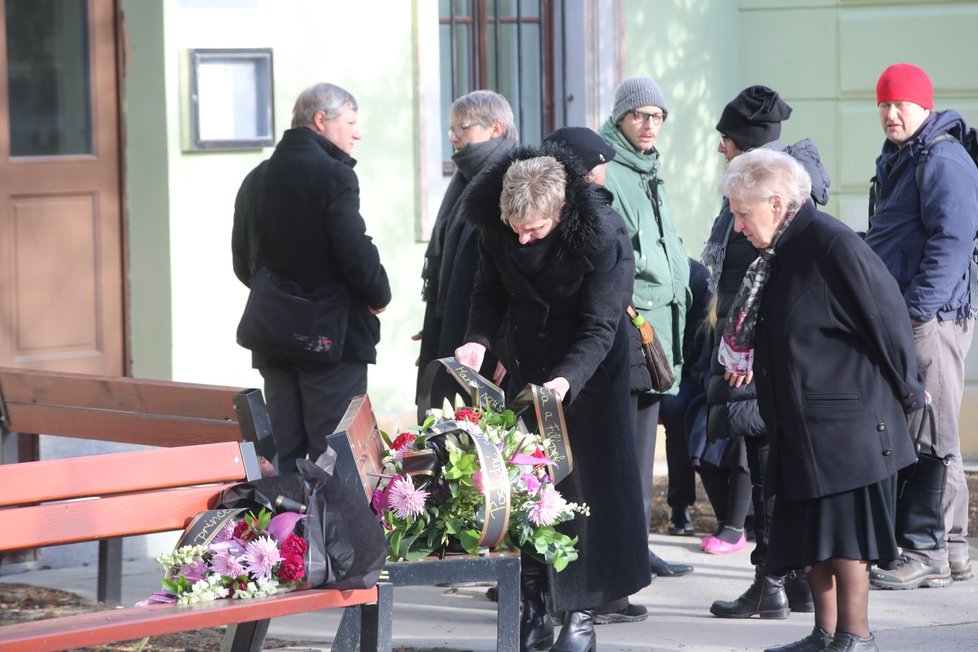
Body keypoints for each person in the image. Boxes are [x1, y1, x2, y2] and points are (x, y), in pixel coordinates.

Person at [716, 149, 924, 652]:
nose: (738, 226)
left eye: (742, 213)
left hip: (846, 421)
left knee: (845, 538)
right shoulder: (782, 250)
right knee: (812, 536)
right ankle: (825, 633)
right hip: (800, 421)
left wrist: (910, 391)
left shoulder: (831, 243)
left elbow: (887, 317)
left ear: (775, 201)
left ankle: (857, 636)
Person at [455, 145, 652, 652]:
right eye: (514, 228)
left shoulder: (603, 235)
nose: (521, 239)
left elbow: (601, 324)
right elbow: (488, 290)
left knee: (582, 496)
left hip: (587, 378)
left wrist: (565, 381)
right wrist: (477, 337)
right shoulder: (501, 227)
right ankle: (536, 608)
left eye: (534, 230)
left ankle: (580, 617)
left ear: (560, 212)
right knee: (529, 492)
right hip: (527, 369)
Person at [702, 85, 827, 618]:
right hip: (757, 355)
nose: (720, 150)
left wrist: (740, 354)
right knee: (775, 468)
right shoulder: (782, 192)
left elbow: (755, 285)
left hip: (751, 358)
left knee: (767, 471)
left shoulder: (767, 199)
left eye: (725, 141)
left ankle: (770, 582)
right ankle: (793, 582)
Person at [231, 82, 391, 474]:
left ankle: (287, 538)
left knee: (285, 456)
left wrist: (284, 300)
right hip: (330, 343)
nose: (357, 132)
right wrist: (378, 294)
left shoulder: (257, 178)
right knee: (333, 462)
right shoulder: (335, 177)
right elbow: (354, 248)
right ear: (321, 120)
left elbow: (242, 263)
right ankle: (330, 539)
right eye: (351, 121)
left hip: (274, 338)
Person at [864, 62, 978, 590]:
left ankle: (937, 548)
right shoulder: (901, 156)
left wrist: (917, 309)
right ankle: (951, 549)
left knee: (936, 430)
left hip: (933, 317)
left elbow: (952, 240)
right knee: (931, 428)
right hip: (910, 312)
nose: (890, 113)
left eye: (900, 104)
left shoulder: (942, 158)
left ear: (924, 106)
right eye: (884, 104)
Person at [542, 126, 649, 626]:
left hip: (589, 368)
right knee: (596, 485)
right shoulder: (594, 219)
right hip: (592, 371)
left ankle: (603, 594)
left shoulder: (597, 223)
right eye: (601, 164)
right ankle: (602, 594)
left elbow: (602, 315)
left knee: (595, 485)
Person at [599, 75, 693, 580]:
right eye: (640, 115)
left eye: (658, 116)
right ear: (621, 117)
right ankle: (628, 554)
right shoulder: (611, 171)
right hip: (632, 327)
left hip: (658, 325)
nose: (650, 124)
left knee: (641, 452)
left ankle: (639, 547)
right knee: (626, 453)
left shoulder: (648, 169)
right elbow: (619, 258)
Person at [415, 90, 518, 399]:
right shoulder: (464, 180)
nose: (453, 137)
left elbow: (517, 270)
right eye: (451, 129)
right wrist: (435, 328)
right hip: (457, 327)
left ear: (496, 129)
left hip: (487, 340)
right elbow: (447, 263)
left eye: (462, 128)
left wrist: (506, 341)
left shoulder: (511, 180)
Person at [657, 258, 709, 537]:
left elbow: (699, 339)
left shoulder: (698, 277)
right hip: (648, 372)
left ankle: (680, 505)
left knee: (676, 409)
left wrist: (677, 374)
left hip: (685, 373)